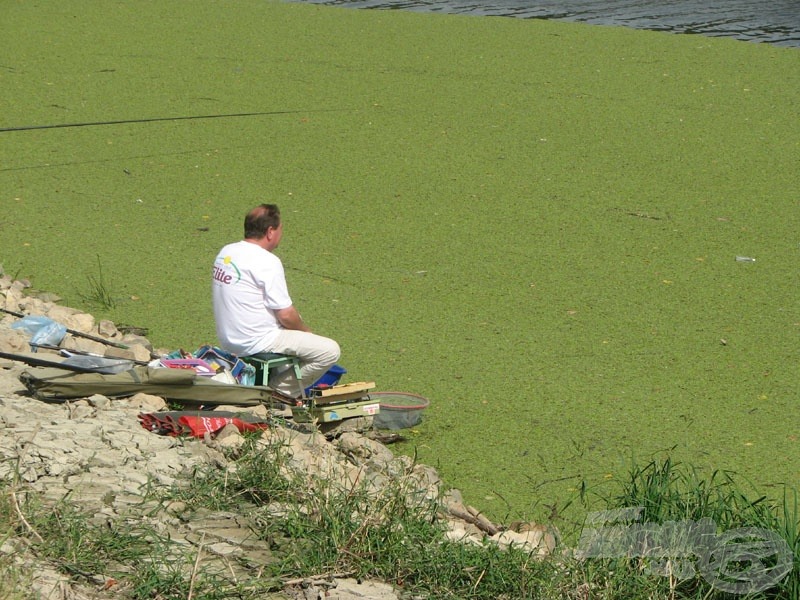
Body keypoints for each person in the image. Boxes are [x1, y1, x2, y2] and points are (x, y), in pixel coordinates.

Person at [212, 204, 340, 398]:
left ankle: (274, 386)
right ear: (270, 231)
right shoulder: (267, 261)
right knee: (329, 350)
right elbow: (286, 315)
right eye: (280, 229)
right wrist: (307, 333)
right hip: (255, 341)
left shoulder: (226, 252)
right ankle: (275, 392)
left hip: (229, 340)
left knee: (294, 334)